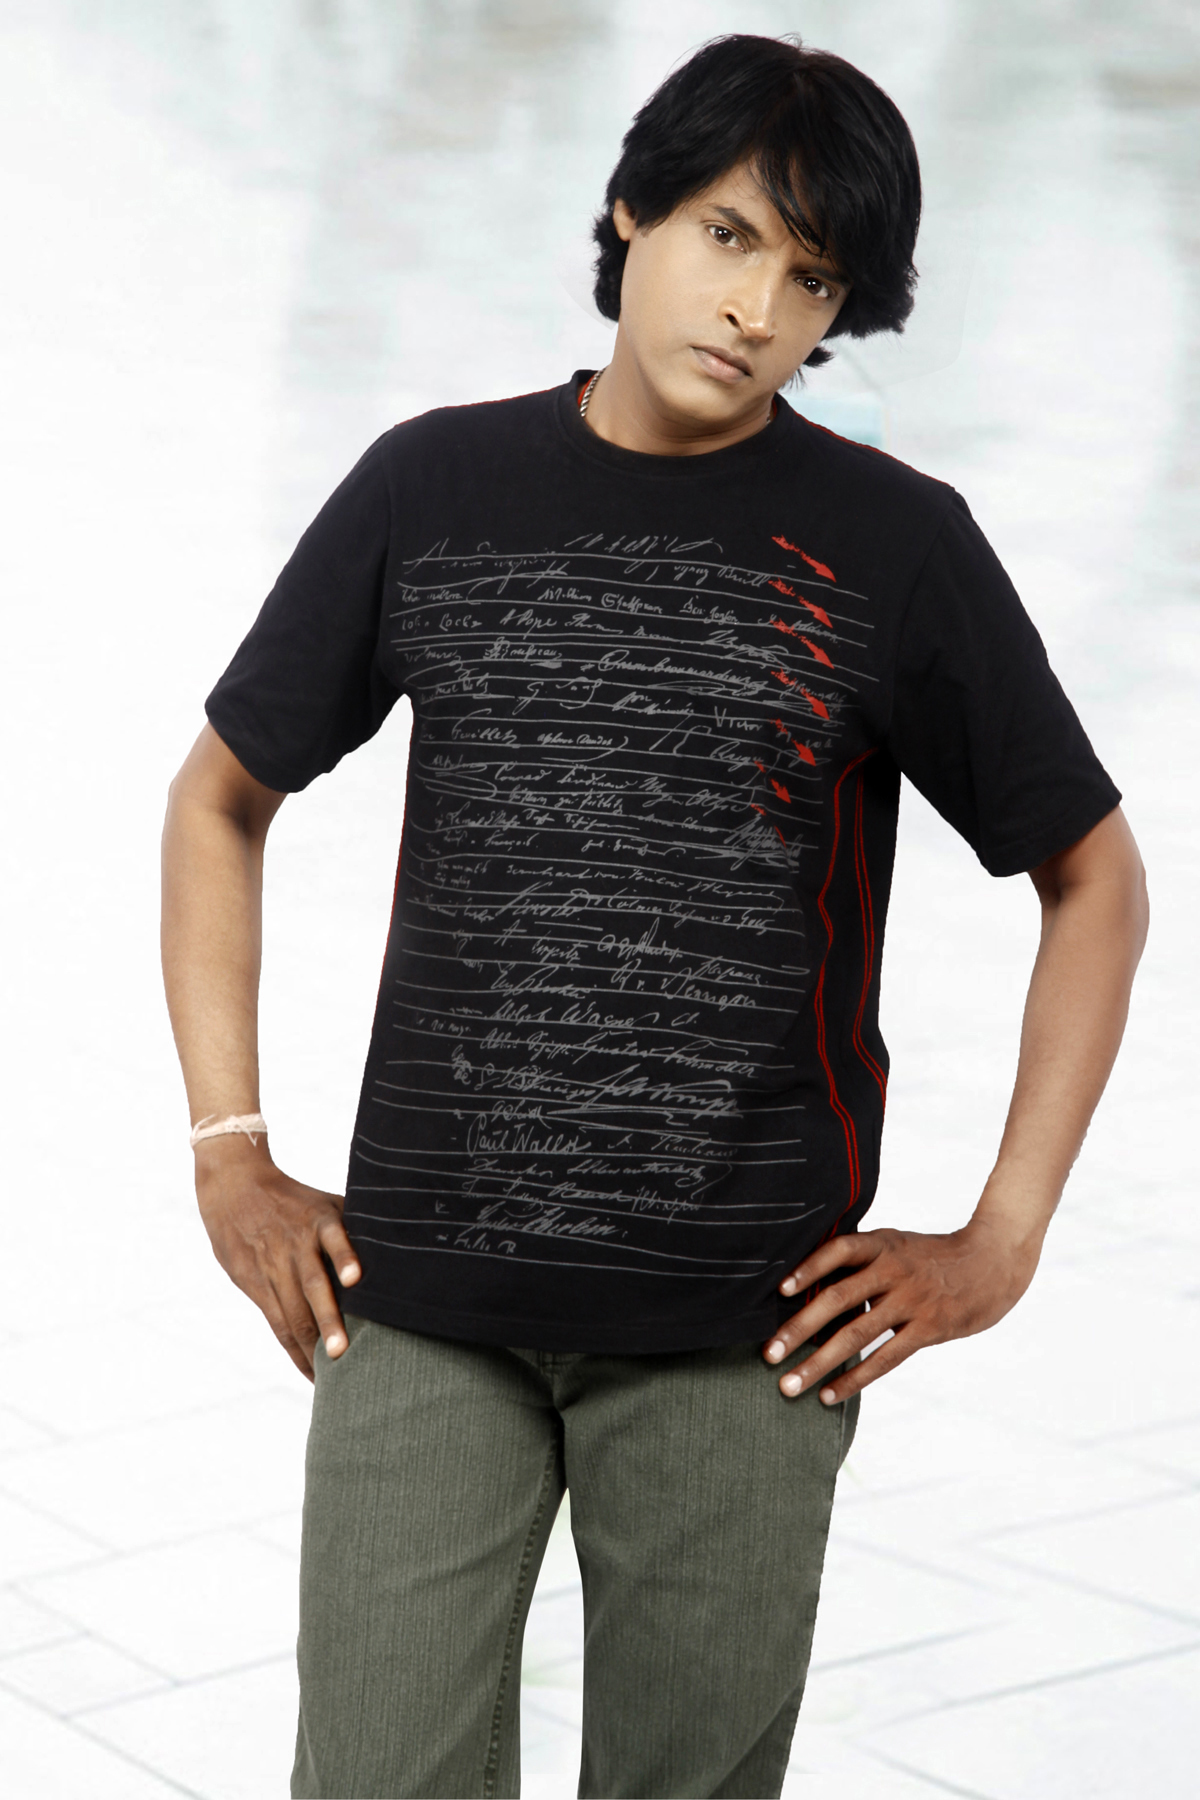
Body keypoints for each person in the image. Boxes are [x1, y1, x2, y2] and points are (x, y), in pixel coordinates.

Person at [160, 33, 1148, 1800]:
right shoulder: (430, 488)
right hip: (420, 1303)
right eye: (727, 234)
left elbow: (1094, 878)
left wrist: (1001, 1239)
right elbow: (219, 797)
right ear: (631, 211)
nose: (758, 308)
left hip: (739, 1337)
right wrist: (231, 1150)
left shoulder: (894, 545)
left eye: (813, 278)